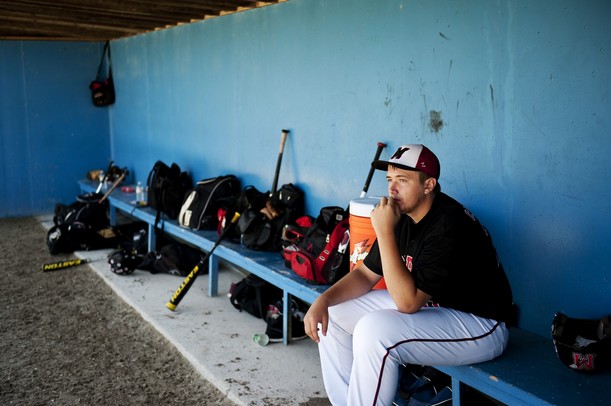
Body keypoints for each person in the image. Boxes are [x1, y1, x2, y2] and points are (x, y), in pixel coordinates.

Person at [303, 144, 514, 406]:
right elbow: (366, 275)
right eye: (390, 179)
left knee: (375, 332)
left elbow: (408, 302)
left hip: (480, 324)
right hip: (434, 307)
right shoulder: (402, 214)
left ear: (428, 185)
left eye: (402, 180)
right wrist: (323, 300)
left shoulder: (449, 224)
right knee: (332, 315)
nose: (392, 189)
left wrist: (385, 232)